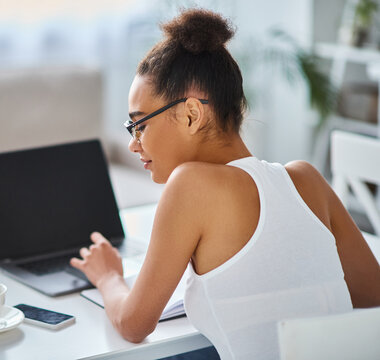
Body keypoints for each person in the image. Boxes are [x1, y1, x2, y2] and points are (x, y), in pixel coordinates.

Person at [70, 8, 380, 360]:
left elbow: (133, 324)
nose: (133, 142)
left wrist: (108, 277)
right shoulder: (307, 178)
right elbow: (372, 295)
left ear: (191, 114)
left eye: (140, 125)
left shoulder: (190, 184)